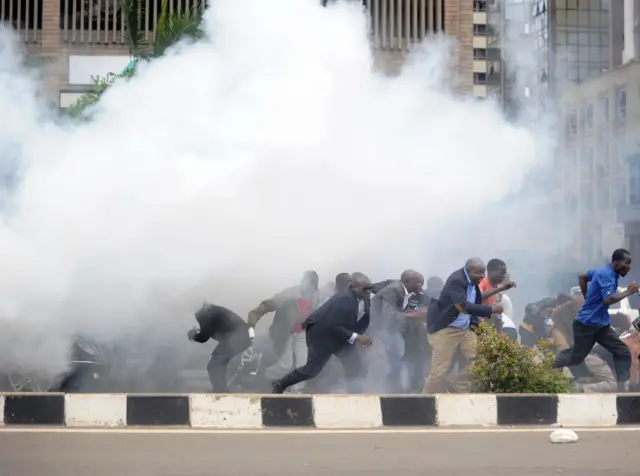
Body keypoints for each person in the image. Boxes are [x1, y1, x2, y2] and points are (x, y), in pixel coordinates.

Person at [272, 272, 374, 394]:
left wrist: (360, 337)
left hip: (342, 335)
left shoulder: (365, 298)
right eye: (366, 290)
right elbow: (332, 324)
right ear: (354, 288)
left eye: (370, 290)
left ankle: (356, 397)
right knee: (311, 370)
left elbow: (360, 320)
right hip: (321, 335)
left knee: (355, 367)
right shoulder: (344, 299)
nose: (369, 293)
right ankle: (280, 384)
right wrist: (357, 337)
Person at [553, 248, 637, 392]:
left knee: (622, 351)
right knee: (576, 357)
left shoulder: (605, 271)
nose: (629, 267)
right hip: (587, 324)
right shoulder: (607, 275)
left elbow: (582, 276)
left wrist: (587, 297)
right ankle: (549, 364)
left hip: (600, 325)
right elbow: (607, 299)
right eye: (626, 263)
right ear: (616, 262)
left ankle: (622, 389)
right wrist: (628, 292)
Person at [423, 258, 503, 393]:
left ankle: (456, 389)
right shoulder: (456, 281)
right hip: (445, 330)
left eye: (483, 273)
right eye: (478, 273)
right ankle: (425, 401)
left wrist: (479, 328)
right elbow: (463, 307)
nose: (482, 276)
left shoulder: (472, 282)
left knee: (483, 358)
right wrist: (490, 309)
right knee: (439, 372)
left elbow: (474, 302)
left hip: (465, 330)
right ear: (468, 270)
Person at [248, 271, 321, 382]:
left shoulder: (315, 295)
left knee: (302, 365)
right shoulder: (289, 294)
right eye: (311, 286)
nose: (312, 291)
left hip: (302, 332)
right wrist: (253, 319)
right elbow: (266, 305)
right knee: (285, 365)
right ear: (304, 283)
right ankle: (264, 377)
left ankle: (296, 391)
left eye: (314, 287)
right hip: (285, 332)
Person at [370, 270, 425, 392]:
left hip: (391, 328)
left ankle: (400, 386)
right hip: (379, 328)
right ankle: (389, 388)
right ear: (407, 282)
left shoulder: (405, 289)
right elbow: (388, 316)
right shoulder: (393, 290)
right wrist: (416, 315)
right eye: (418, 283)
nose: (420, 286)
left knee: (404, 355)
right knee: (395, 357)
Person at [187, 302, 252, 393]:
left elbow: (204, 336)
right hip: (239, 337)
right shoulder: (211, 310)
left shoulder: (203, 314)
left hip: (237, 337)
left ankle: (221, 392)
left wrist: (193, 335)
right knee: (216, 362)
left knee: (215, 365)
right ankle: (221, 390)